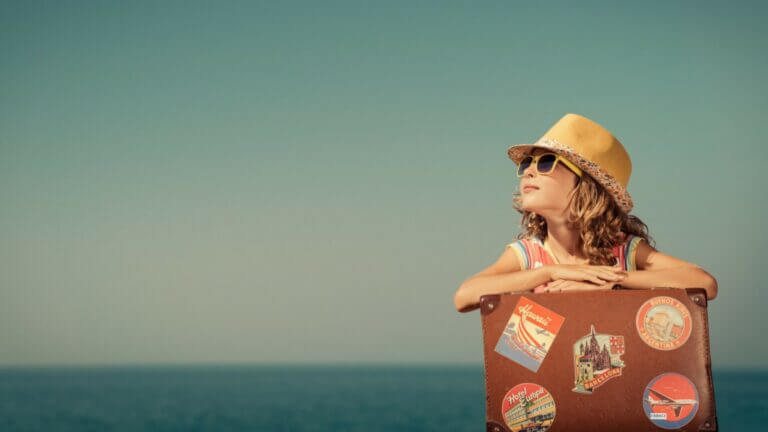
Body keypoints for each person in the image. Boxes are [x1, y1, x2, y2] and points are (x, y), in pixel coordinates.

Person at [453, 113, 718, 313]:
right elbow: (464, 296)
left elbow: (703, 282)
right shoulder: (529, 254)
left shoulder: (624, 252)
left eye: (546, 162)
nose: (530, 170)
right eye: (527, 163)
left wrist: (613, 281)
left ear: (587, 186)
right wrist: (552, 273)